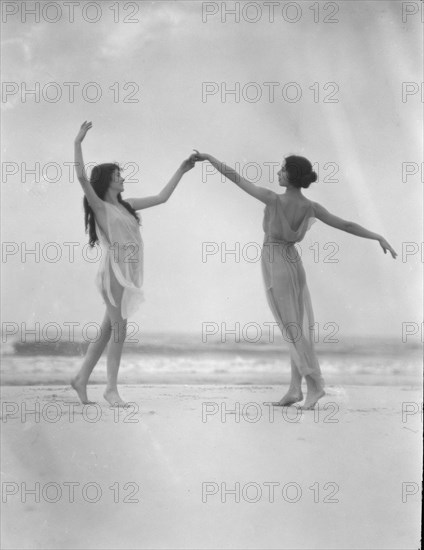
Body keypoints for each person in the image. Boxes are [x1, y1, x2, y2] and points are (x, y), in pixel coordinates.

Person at [193, 151, 397, 409]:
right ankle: (294, 389)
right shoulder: (310, 206)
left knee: (292, 328)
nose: (278, 173)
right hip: (292, 262)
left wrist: (210, 159)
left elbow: (236, 178)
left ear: (290, 175)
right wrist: (377, 235)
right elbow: (346, 225)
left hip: (277, 262)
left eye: (282, 169)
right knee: (295, 326)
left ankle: (315, 386)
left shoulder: (273, 198)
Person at [71, 121, 196, 407]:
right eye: (118, 175)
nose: (122, 178)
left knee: (107, 332)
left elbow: (162, 198)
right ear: (107, 181)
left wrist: (182, 169)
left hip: (127, 274)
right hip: (114, 273)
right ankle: (111, 389)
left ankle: (80, 379)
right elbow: (81, 177)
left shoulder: (127, 206)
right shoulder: (100, 205)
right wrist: (78, 142)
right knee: (120, 330)